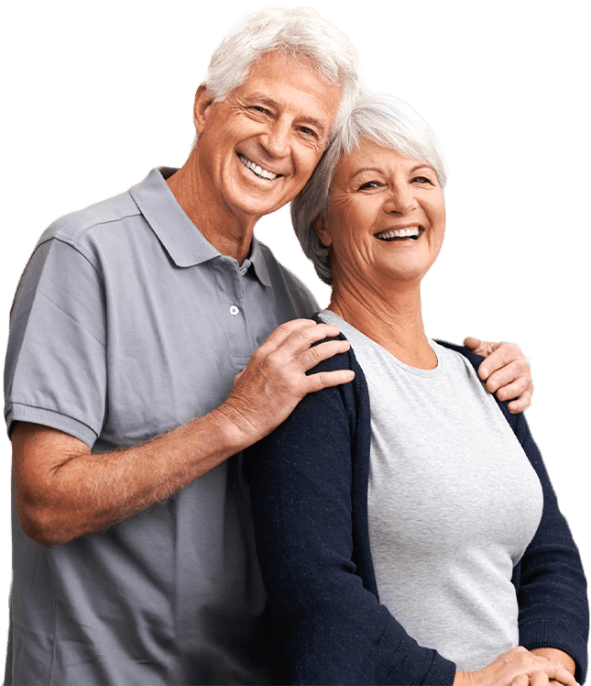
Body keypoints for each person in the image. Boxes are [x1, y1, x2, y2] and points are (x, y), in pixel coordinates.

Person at [2, 7, 535, 686]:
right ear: (204, 106)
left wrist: (480, 377)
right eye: (261, 109)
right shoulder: (85, 253)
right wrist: (232, 422)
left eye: (307, 129)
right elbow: (45, 503)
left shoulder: (292, 303)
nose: (277, 145)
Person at [245, 92, 589, 686]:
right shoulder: (315, 374)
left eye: (422, 179)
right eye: (372, 185)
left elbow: (549, 556)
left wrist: (549, 665)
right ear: (323, 221)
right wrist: (466, 683)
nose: (404, 202)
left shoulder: (481, 373)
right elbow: (318, 599)